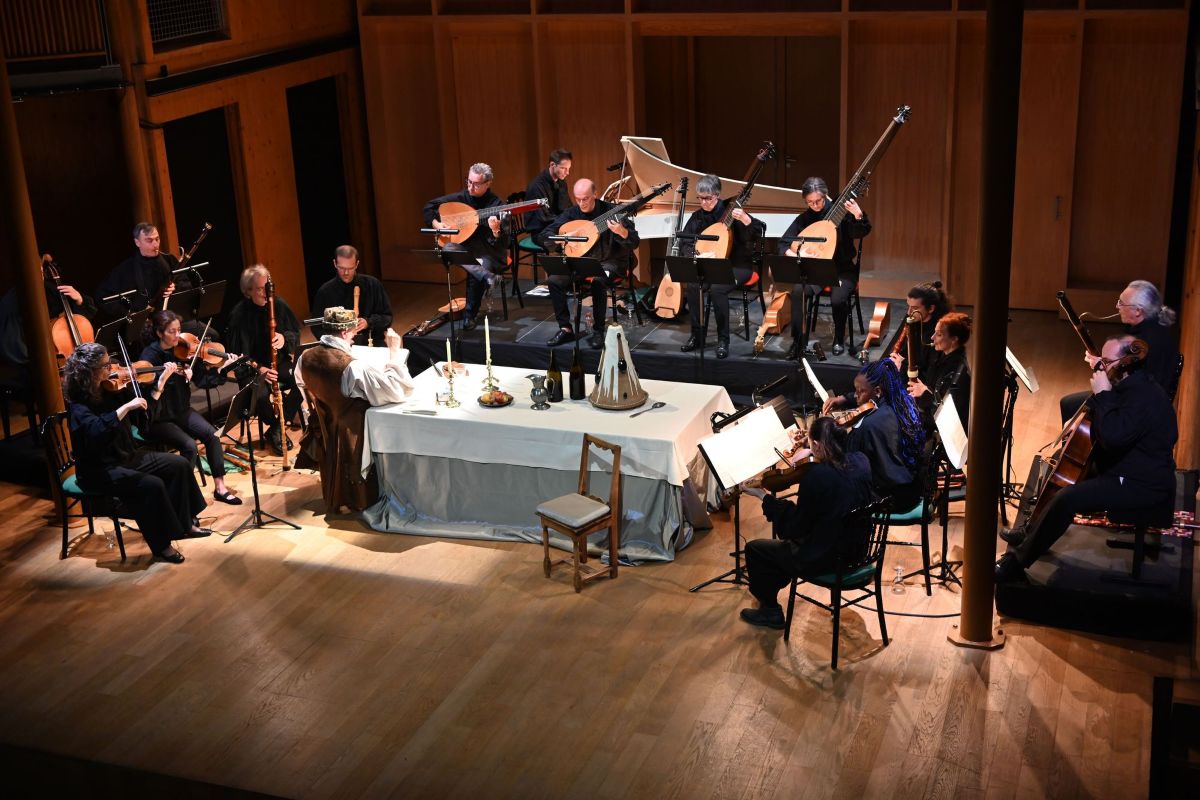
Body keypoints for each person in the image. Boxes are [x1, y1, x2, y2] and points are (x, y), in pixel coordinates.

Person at [997, 334, 1178, 582]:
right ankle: (1031, 530)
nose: (1100, 366)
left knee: (1067, 498)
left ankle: (1016, 563)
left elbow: (1113, 438)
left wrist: (1103, 394)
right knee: (1062, 469)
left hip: (1140, 482)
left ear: (1125, 363)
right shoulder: (1129, 383)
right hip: (1124, 466)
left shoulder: (1143, 398)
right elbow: (1111, 419)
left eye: (1105, 361)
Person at [62, 342, 212, 564]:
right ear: (91, 371)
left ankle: (185, 524)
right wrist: (124, 409)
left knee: (178, 465)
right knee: (151, 485)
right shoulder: (78, 404)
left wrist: (158, 387)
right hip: (99, 469)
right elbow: (95, 431)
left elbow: (144, 421)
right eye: (106, 365)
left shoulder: (112, 389)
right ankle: (162, 546)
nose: (112, 368)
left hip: (125, 456)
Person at [738, 416, 876, 628]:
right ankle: (777, 583)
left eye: (811, 444)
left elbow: (795, 528)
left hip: (828, 558)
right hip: (859, 551)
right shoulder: (862, 461)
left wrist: (763, 497)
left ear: (818, 445)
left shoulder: (817, 477)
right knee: (785, 550)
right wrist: (814, 453)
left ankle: (770, 611)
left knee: (757, 550)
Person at [295, 307, 415, 513]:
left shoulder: (305, 357)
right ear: (343, 333)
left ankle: (336, 498)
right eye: (352, 332)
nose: (354, 336)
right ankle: (358, 500)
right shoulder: (352, 367)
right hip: (353, 428)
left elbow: (304, 386)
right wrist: (394, 354)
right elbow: (395, 391)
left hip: (325, 424)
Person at [138, 310, 243, 505]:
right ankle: (184, 497)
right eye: (172, 332)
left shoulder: (183, 350)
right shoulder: (149, 356)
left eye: (179, 330)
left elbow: (204, 381)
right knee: (189, 446)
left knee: (211, 435)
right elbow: (147, 394)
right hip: (160, 417)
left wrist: (222, 368)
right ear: (159, 333)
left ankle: (220, 488)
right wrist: (165, 379)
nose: (178, 336)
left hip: (180, 410)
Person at [1059, 280, 1180, 423]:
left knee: (1069, 404)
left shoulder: (1145, 342)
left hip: (1138, 408)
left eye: (1122, 303)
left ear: (1138, 311)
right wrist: (1105, 363)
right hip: (1141, 397)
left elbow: (1132, 383)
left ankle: (1088, 444)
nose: (1117, 306)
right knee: (1071, 403)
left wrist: (1104, 366)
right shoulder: (1150, 327)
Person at [777, 177, 871, 358]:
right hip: (817, 269)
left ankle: (838, 338)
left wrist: (858, 215)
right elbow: (783, 244)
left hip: (843, 269)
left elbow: (860, 232)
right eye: (810, 202)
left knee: (837, 299)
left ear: (825, 195)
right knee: (798, 292)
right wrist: (798, 254)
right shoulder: (805, 219)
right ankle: (798, 342)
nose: (815, 205)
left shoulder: (840, 212)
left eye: (818, 201)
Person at [542, 179, 640, 349]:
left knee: (598, 281)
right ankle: (565, 329)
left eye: (585, 199)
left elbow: (634, 241)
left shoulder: (612, 213)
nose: (581, 203)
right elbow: (546, 236)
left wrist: (622, 232)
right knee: (554, 281)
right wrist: (564, 237)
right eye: (578, 199)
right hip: (581, 262)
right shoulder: (571, 214)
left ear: (595, 194)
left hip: (611, 262)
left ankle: (598, 331)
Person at [678, 174, 766, 360]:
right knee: (693, 286)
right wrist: (696, 255)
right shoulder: (697, 217)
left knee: (717, 289)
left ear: (717, 195)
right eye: (700, 198)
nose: (704, 203)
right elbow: (685, 242)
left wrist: (745, 219)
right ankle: (697, 335)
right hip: (708, 263)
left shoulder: (731, 212)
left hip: (737, 265)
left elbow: (759, 232)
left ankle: (723, 340)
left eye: (708, 198)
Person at [824, 359, 925, 512]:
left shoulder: (870, 425)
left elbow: (848, 460)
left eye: (860, 392)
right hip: (912, 487)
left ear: (878, 391)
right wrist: (844, 399)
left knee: (830, 489)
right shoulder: (903, 402)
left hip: (891, 499)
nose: (856, 397)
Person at [224, 265, 302, 456]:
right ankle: (276, 427)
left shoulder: (279, 305)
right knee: (258, 395)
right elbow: (237, 355)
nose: (266, 293)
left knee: (303, 379)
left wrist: (284, 339)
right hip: (253, 368)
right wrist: (260, 369)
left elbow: (295, 332)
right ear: (248, 291)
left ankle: (280, 426)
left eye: (267, 287)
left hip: (279, 362)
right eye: (260, 289)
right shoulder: (239, 315)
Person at [424, 163, 511, 331]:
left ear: (488, 183)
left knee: (477, 266)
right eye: (468, 181)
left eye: (476, 184)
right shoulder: (460, 198)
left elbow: (504, 243)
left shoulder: (497, 205)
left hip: (489, 252)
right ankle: (488, 277)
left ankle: (469, 315)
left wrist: (495, 230)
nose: (470, 187)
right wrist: (437, 225)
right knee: (448, 248)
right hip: (466, 249)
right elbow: (429, 207)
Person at [0, 257, 97, 367]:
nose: (39, 277)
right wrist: (46, 362)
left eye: (40, 272)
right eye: (33, 273)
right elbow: (12, 346)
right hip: (37, 368)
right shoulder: (10, 303)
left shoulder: (50, 289)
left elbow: (83, 318)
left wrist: (80, 300)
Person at [95, 222, 188, 320]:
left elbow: (186, 285)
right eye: (149, 240)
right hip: (144, 325)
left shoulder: (170, 260)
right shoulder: (126, 269)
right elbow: (102, 296)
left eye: (157, 239)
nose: (156, 244)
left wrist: (176, 288)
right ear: (137, 242)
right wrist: (128, 314)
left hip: (173, 319)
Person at [309, 245, 393, 346]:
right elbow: (317, 327)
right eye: (342, 268)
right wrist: (338, 341)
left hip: (371, 342)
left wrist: (368, 322)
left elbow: (387, 317)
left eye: (350, 268)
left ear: (357, 264)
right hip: (338, 347)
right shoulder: (325, 292)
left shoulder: (373, 285)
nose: (346, 273)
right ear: (335, 263)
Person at [907, 311, 971, 435]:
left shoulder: (957, 371)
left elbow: (946, 414)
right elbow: (932, 386)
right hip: (927, 416)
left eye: (939, 334)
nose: (932, 337)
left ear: (954, 339)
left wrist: (924, 393)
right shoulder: (941, 355)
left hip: (940, 430)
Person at [888, 281, 952, 384]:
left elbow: (930, 373)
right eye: (908, 306)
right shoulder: (913, 319)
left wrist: (902, 365)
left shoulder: (939, 332)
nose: (909, 312)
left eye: (915, 308)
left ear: (931, 308)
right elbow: (902, 352)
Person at [523, 149, 573, 249]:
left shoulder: (561, 182)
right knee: (571, 243)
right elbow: (544, 218)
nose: (567, 172)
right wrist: (566, 222)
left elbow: (567, 207)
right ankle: (563, 264)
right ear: (552, 164)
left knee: (582, 235)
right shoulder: (536, 186)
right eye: (564, 168)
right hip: (541, 231)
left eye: (568, 168)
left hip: (556, 225)